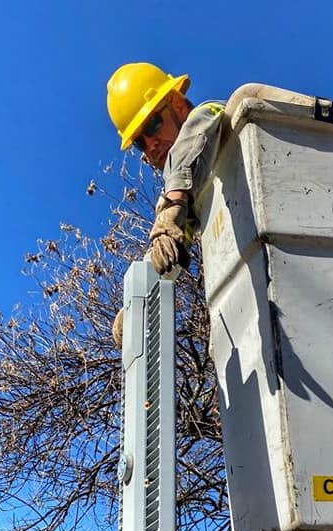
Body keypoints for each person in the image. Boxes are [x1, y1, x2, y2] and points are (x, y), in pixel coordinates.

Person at [106, 62, 225, 345]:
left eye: (153, 125)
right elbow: (173, 246)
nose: (151, 145)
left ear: (178, 104)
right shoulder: (192, 192)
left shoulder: (218, 118)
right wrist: (138, 298)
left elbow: (194, 137)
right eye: (139, 143)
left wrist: (173, 206)